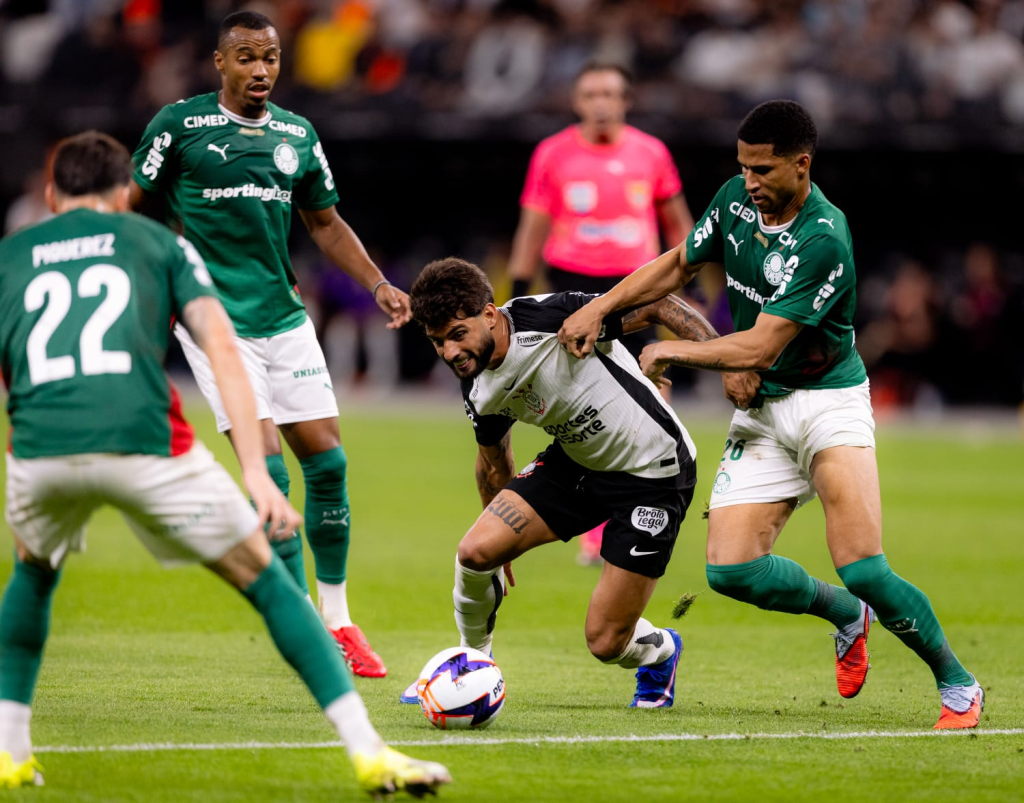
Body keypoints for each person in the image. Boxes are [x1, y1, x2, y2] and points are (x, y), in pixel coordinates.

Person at [0, 131, 450, 796]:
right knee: (268, 583)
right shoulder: (161, 245)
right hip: (145, 443)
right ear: (124, 194)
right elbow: (222, 348)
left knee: (34, 573)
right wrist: (255, 473)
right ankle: (370, 752)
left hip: (40, 451)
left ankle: (10, 753)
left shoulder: (10, 255)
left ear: (49, 194)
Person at [558, 100, 982, 730]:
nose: (749, 181)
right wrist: (601, 306)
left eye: (762, 169)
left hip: (827, 404)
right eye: (743, 167)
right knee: (731, 571)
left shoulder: (823, 237)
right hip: (762, 410)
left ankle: (958, 682)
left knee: (863, 566)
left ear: (801, 164)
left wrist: (674, 349)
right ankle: (844, 614)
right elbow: (677, 264)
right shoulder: (734, 200)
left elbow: (759, 346)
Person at [129, 11, 401, 676]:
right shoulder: (179, 125)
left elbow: (325, 223)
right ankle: (302, 620)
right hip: (214, 321)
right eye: (247, 57)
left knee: (329, 466)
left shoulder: (296, 134)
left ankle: (339, 618)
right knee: (270, 472)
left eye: (271, 58)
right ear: (220, 62)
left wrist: (376, 283)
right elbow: (130, 206)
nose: (260, 70)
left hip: (284, 315)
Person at [400, 256, 721, 709]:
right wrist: (501, 543)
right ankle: (471, 667)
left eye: (457, 334)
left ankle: (662, 651)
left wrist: (729, 363)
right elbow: (493, 463)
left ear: (489, 314)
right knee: (476, 552)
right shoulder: (477, 384)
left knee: (606, 641)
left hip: (654, 472)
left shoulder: (549, 317)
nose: (450, 352)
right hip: (576, 464)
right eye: (438, 342)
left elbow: (657, 305)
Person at [507, 61, 695, 566]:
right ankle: (593, 523)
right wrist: (520, 291)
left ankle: (647, 506)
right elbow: (532, 227)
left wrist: (694, 284)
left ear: (626, 100)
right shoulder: (552, 153)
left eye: (610, 93)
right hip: (573, 289)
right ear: (577, 101)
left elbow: (679, 224)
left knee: (650, 393)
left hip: (639, 289)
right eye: (591, 94)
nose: (601, 103)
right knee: (584, 404)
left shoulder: (651, 152)